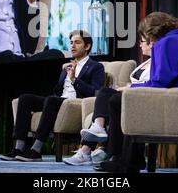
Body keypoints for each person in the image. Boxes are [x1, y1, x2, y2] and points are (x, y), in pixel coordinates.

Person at [92, 11, 178, 173]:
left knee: (118, 100)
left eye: (144, 36)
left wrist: (131, 88)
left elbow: (158, 84)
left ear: (150, 32)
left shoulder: (164, 43)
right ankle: (131, 159)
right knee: (117, 97)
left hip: (174, 104)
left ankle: (123, 160)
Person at [0, 30, 105, 162]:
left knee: (51, 100)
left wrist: (74, 80)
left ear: (87, 46)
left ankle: (36, 150)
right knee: (25, 99)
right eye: (71, 42)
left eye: (77, 43)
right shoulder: (67, 66)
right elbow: (58, 90)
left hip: (75, 104)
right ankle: (18, 148)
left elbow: (94, 92)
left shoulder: (96, 67)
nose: (73, 46)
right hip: (58, 101)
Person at [63, 19, 153, 166]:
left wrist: (130, 88)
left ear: (152, 43)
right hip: (131, 95)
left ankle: (91, 147)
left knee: (105, 93)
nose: (140, 44)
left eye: (142, 41)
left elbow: (153, 83)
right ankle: (93, 139)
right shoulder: (146, 62)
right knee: (106, 96)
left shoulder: (157, 62)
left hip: (140, 98)